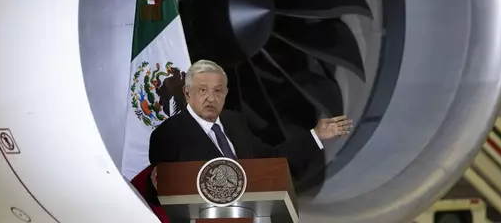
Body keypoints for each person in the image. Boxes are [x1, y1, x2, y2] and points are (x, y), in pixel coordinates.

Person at [146, 59, 353, 194]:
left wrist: (316, 135)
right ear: (187, 92)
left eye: (218, 91)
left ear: (226, 94)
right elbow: (157, 193)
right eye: (203, 90)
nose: (211, 98)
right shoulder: (169, 133)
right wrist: (155, 186)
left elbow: (274, 160)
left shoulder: (234, 123)